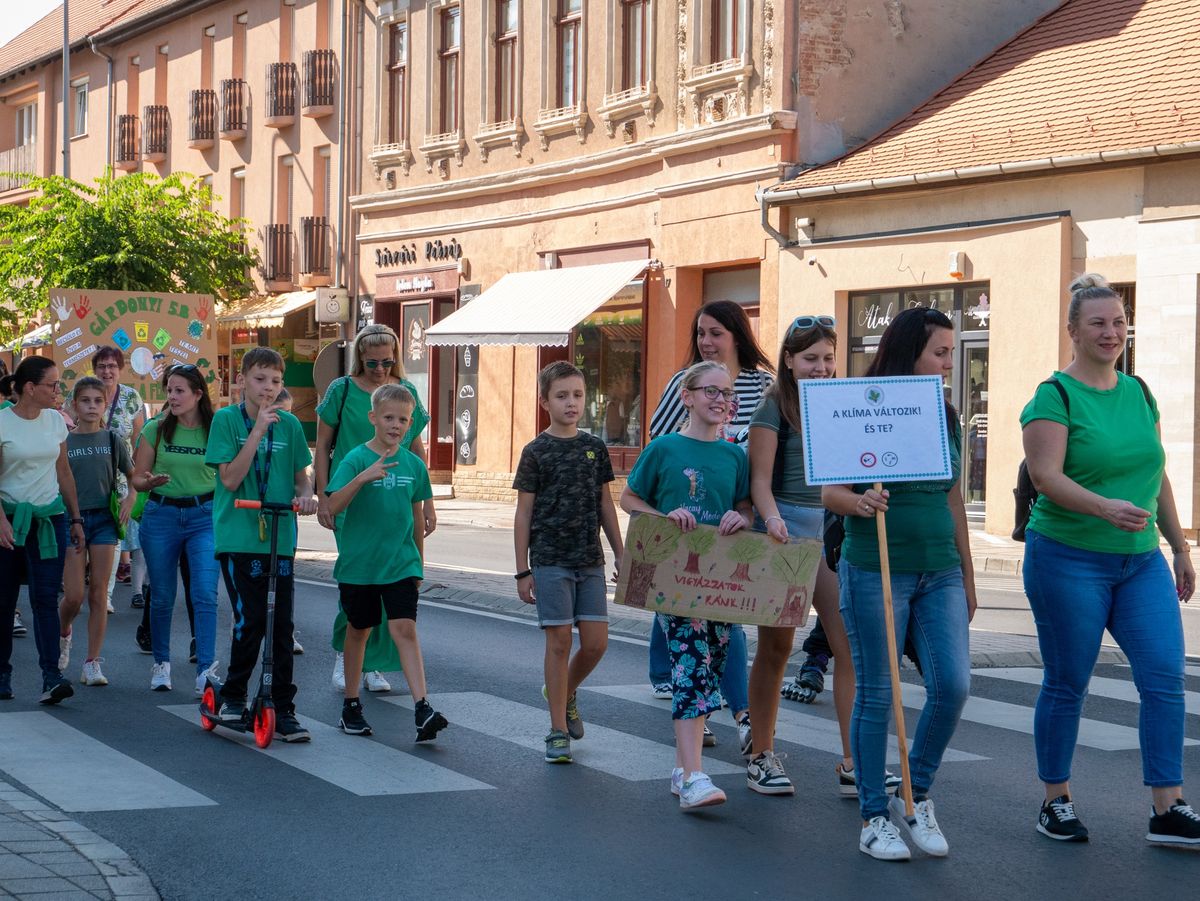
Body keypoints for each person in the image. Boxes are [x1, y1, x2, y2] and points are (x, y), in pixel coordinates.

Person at [1021, 274, 1199, 846]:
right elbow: (1045, 477)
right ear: (1072, 330)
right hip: (1068, 557)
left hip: (1139, 560)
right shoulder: (1053, 396)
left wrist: (1179, 546)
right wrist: (1103, 509)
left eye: (1119, 322)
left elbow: (1158, 475)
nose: (1110, 332)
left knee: (1165, 678)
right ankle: (1056, 800)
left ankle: (1167, 807)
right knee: (1069, 681)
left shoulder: (1139, 392)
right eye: (1097, 323)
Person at [822, 306, 974, 862]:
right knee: (878, 694)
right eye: (939, 352)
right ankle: (872, 816)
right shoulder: (862, 406)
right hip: (875, 568)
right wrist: (859, 500)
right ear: (909, 351)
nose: (947, 363)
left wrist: (969, 572)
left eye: (951, 353)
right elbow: (831, 492)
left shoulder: (947, 416)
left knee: (953, 686)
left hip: (941, 572)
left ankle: (919, 794)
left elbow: (954, 497)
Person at [621, 361, 752, 811]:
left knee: (712, 662)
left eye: (727, 393)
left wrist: (743, 517)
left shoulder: (735, 455)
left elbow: (743, 507)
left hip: (719, 582)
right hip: (674, 580)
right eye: (711, 392)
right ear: (688, 396)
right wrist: (664, 516)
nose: (721, 400)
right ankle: (695, 775)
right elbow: (630, 498)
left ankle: (683, 769)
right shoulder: (664, 449)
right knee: (692, 665)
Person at [646, 300, 772, 752]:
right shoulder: (684, 384)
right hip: (683, 532)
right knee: (688, 623)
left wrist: (756, 511)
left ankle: (718, 706)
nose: (706, 341)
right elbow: (658, 448)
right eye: (700, 332)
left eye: (715, 332)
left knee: (727, 624)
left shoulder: (764, 386)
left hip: (736, 521)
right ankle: (722, 713)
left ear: (737, 335)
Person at [747, 315, 858, 797]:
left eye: (828, 358)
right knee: (775, 649)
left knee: (849, 646)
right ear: (789, 361)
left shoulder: (841, 403)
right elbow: (759, 481)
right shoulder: (773, 405)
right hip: (785, 533)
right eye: (810, 359)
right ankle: (761, 755)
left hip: (829, 532)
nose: (821, 368)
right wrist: (772, 522)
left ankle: (857, 760)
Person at [205, 348, 318, 742]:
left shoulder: (288, 425)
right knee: (250, 618)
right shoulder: (225, 420)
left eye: (274, 381)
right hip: (239, 535)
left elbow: (301, 476)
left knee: (282, 625)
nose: (268, 388)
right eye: (259, 379)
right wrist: (256, 432)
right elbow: (231, 479)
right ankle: (233, 694)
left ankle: (283, 706)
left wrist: (306, 495)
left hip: (279, 535)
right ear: (241, 381)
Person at [514, 362, 624, 763]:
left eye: (577, 395)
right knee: (559, 642)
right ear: (545, 402)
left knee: (596, 644)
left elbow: (606, 505)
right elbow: (523, 513)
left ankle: (564, 691)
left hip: (589, 561)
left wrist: (621, 553)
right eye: (562, 396)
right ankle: (557, 729)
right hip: (549, 561)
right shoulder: (535, 451)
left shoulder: (594, 448)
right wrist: (522, 569)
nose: (571, 402)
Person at [326, 383, 448, 742]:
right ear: (373, 418)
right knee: (359, 630)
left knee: (404, 630)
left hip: (400, 564)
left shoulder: (413, 465)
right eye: (389, 418)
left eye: (404, 420)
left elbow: (415, 520)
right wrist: (362, 479)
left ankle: (422, 707)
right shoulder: (355, 459)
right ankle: (351, 705)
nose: (396, 425)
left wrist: (418, 567)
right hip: (360, 566)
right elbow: (332, 507)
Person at [316, 324, 435, 693]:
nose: (381, 368)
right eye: (372, 362)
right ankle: (347, 653)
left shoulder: (405, 392)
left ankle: (375, 664)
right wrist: (323, 495)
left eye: (388, 361)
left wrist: (427, 502)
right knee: (359, 581)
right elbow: (322, 446)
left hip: (397, 492)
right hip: (351, 496)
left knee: (392, 583)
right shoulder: (343, 389)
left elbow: (417, 448)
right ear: (360, 358)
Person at [0, 357, 86, 703]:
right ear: (30, 388)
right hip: (8, 520)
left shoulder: (55, 421)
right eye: (52, 385)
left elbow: (63, 471)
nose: (57, 391)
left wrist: (76, 518)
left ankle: (52, 675)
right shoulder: (3, 422)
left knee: (45, 600)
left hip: (49, 520)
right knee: (4, 602)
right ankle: (2, 676)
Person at [133, 364, 221, 696]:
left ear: (198, 394)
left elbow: (231, 474)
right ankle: (161, 664)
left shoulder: (216, 428)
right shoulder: (155, 429)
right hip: (161, 516)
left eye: (180, 390)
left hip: (204, 517)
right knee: (163, 596)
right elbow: (138, 478)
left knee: (204, 593)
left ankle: (206, 671)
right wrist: (148, 481)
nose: (172, 396)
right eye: (169, 389)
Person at [57, 377, 134, 687]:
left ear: (105, 405)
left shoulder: (113, 439)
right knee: (74, 596)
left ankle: (92, 662)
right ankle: (64, 632)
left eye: (97, 401)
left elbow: (132, 477)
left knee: (99, 592)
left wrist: (130, 499)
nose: (91, 406)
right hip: (70, 520)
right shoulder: (63, 441)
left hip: (103, 519)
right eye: (85, 400)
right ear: (75, 405)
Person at [68, 347, 147, 611]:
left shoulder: (131, 397)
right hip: (85, 479)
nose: (107, 371)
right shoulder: (79, 392)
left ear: (120, 369)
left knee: (115, 540)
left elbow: (137, 440)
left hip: (120, 483)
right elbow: (69, 432)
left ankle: (106, 594)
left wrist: (136, 483)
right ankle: (76, 590)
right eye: (102, 366)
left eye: (112, 366)